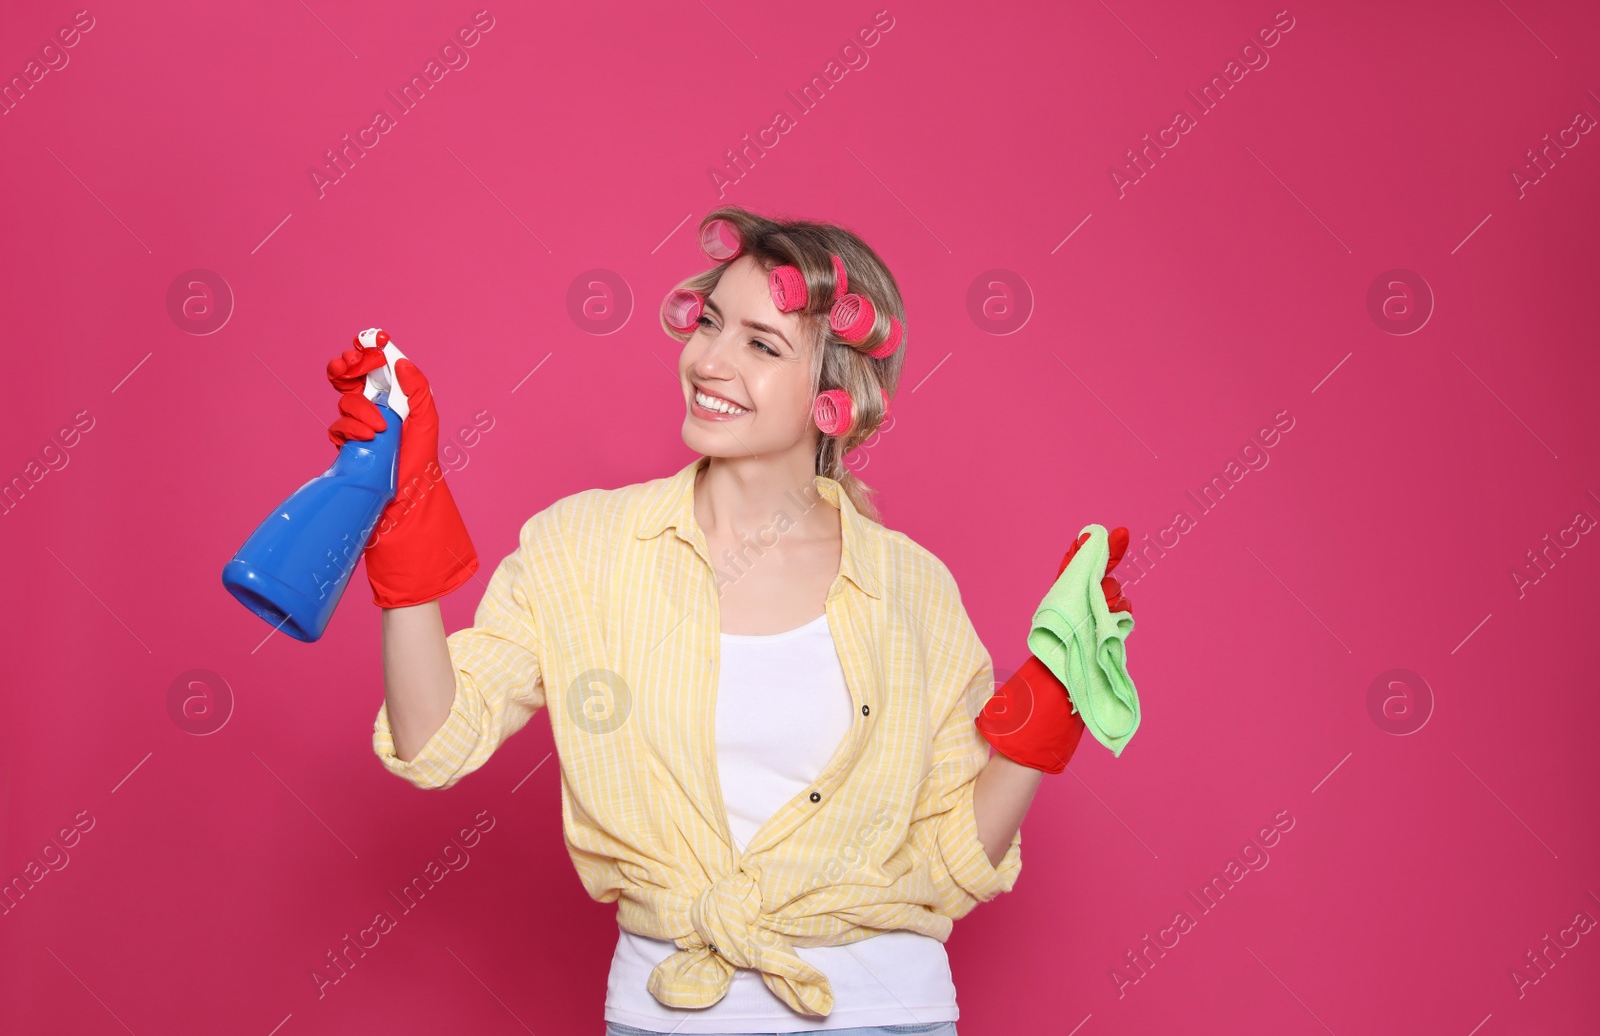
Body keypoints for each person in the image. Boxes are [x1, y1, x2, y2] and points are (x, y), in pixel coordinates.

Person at [324, 206, 1118, 1036]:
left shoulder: (912, 587)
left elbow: (955, 861)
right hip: (669, 1013)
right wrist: (405, 520)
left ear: (835, 398)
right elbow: (432, 739)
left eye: (761, 344)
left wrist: (1051, 705)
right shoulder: (582, 549)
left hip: (888, 1014)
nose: (709, 359)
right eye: (709, 323)